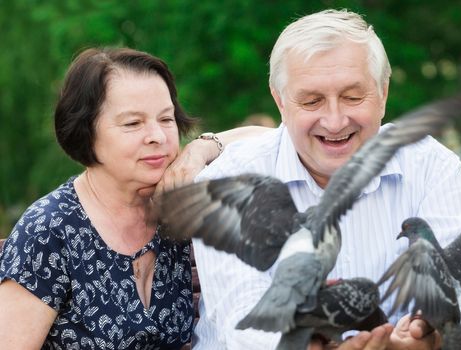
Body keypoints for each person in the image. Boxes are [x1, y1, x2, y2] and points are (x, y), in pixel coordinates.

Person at [174, 9, 461, 350]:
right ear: (280, 102)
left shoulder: (430, 166)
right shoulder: (230, 179)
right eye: (312, 101)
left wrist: (427, 333)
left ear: (383, 94)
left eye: (353, 96)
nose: (334, 120)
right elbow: (242, 315)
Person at [0, 47, 265, 349]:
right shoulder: (49, 231)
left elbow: (277, 142)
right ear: (85, 132)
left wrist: (202, 148)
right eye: (132, 123)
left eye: (166, 119)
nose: (158, 136)